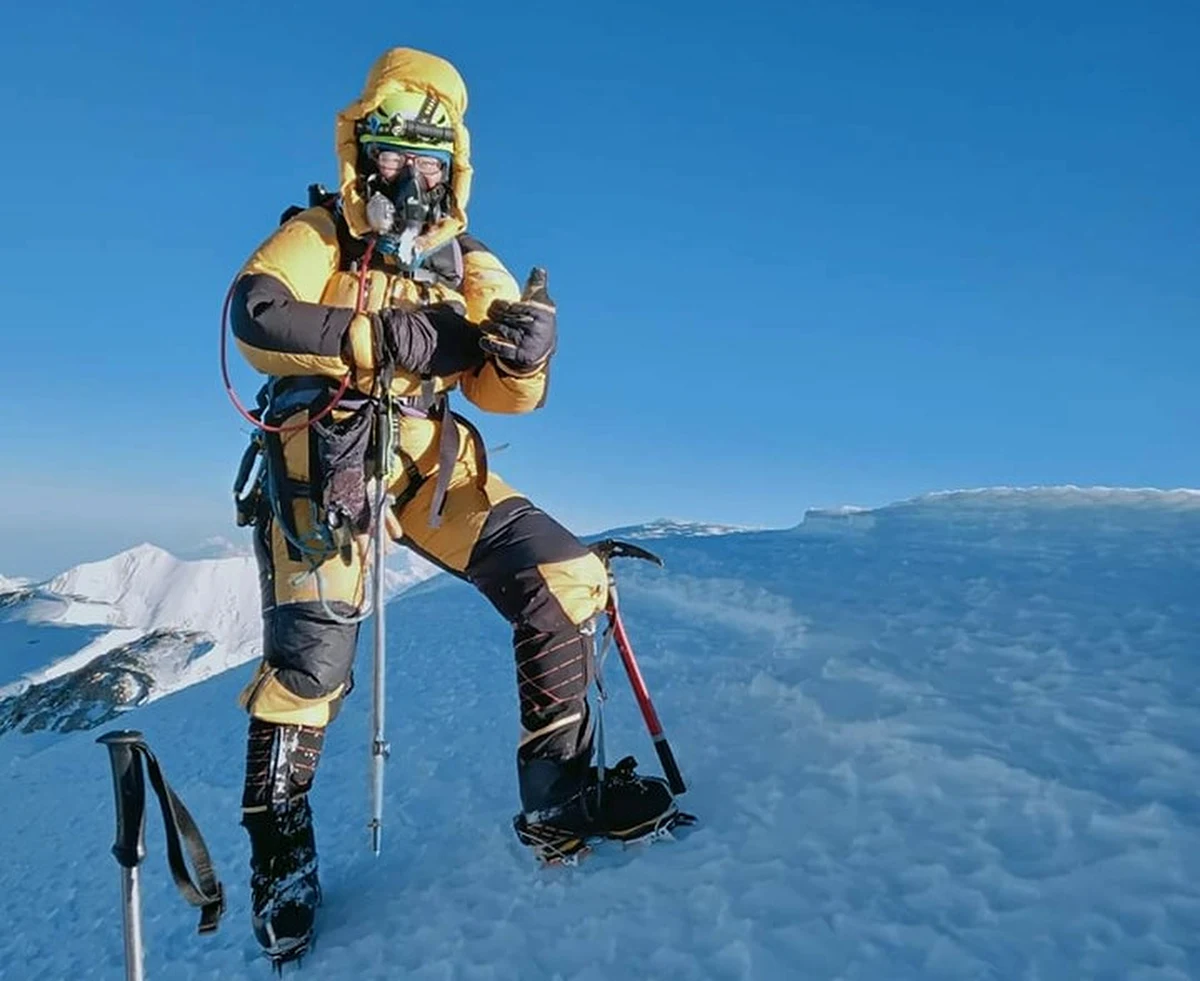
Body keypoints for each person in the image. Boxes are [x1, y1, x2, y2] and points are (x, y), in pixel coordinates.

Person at [229, 47, 683, 960]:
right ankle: (280, 861)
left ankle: (560, 795)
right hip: (324, 462)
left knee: (563, 576)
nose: (411, 177)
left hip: (427, 464)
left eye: (430, 162)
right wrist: (380, 337)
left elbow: (505, 393)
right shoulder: (319, 234)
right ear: (364, 152)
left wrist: (527, 354)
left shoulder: (469, 262)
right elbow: (257, 315)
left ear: (454, 170)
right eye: (395, 154)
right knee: (312, 666)